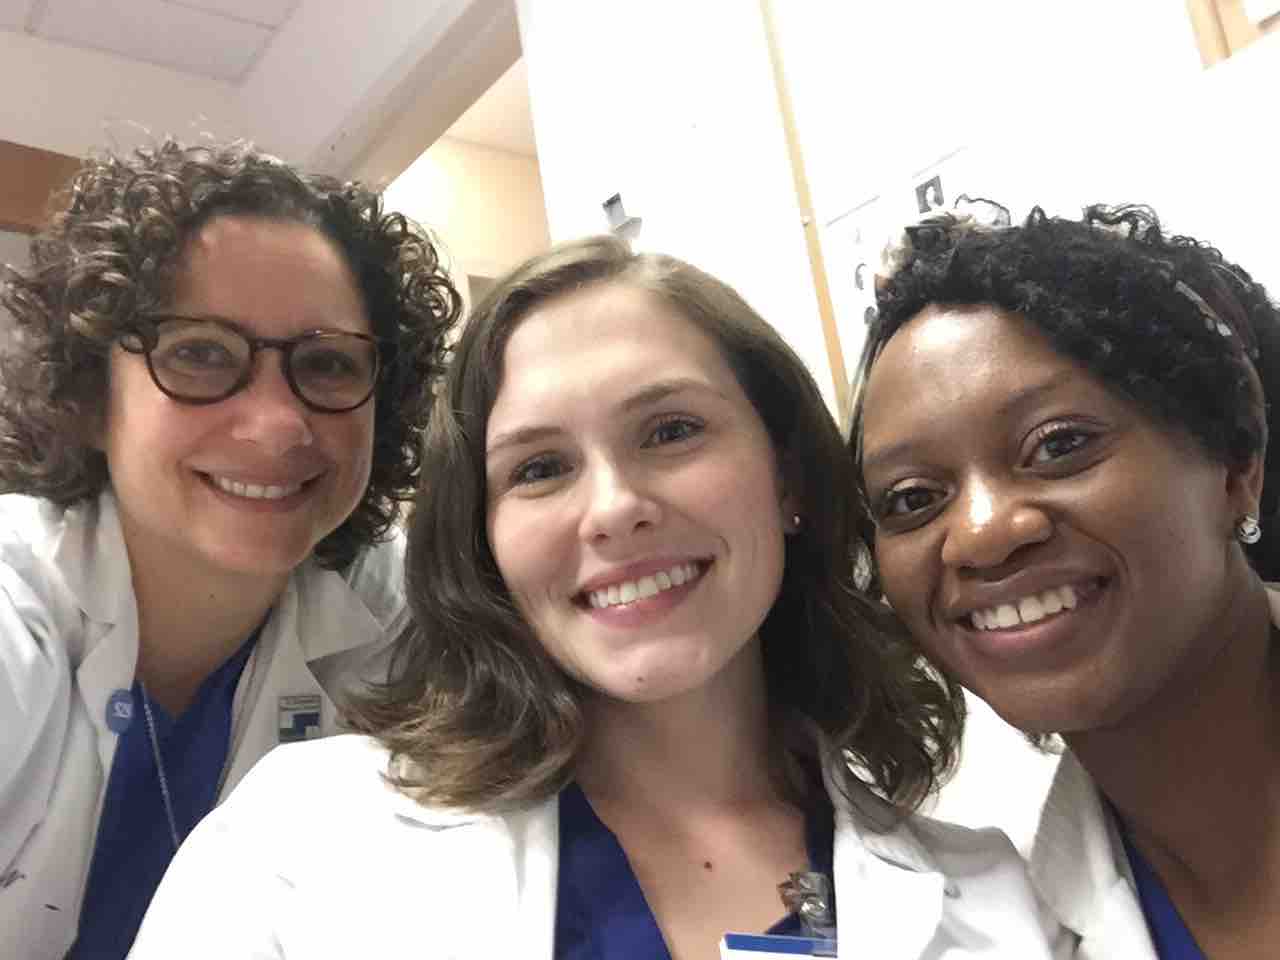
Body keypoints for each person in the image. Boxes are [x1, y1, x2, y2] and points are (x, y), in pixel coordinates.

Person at [130, 236, 1057, 959]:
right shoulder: (304, 839)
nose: (613, 509)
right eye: (539, 468)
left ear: (787, 479)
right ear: (483, 540)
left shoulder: (986, 897)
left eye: (671, 430)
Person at [0, 138, 460, 959]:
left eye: (326, 364)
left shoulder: (403, 617)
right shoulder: (15, 604)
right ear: (89, 392)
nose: (280, 425)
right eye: (202, 354)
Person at [853, 203, 1280, 959]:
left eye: (1058, 445)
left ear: (1236, 460)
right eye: (912, 498)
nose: (982, 534)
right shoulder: (984, 920)